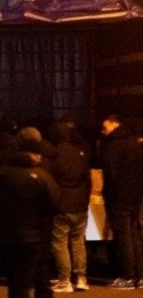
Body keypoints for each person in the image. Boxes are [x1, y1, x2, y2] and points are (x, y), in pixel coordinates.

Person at [0, 127, 59, 298]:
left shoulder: (1, 173)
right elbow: (55, 203)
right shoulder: (42, 176)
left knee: (16, 281)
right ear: (35, 154)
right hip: (36, 236)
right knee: (36, 278)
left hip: (8, 235)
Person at [99, 115, 143, 290]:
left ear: (114, 124)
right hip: (136, 196)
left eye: (105, 127)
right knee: (134, 234)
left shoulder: (112, 146)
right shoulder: (135, 144)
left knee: (123, 236)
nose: (103, 131)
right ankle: (140, 275)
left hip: (118, 197)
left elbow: (110, 175)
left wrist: (107, 194)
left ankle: (127, 276)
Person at [48, 122, 91, 293]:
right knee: (78, 241)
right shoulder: (80, 153)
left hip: (62, 203)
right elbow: (87, 180)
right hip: (79, 203)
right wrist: (85, 200)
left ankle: (64, 280)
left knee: (60, 242)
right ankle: (81, 278)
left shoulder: (55, 154)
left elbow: (52, 181)